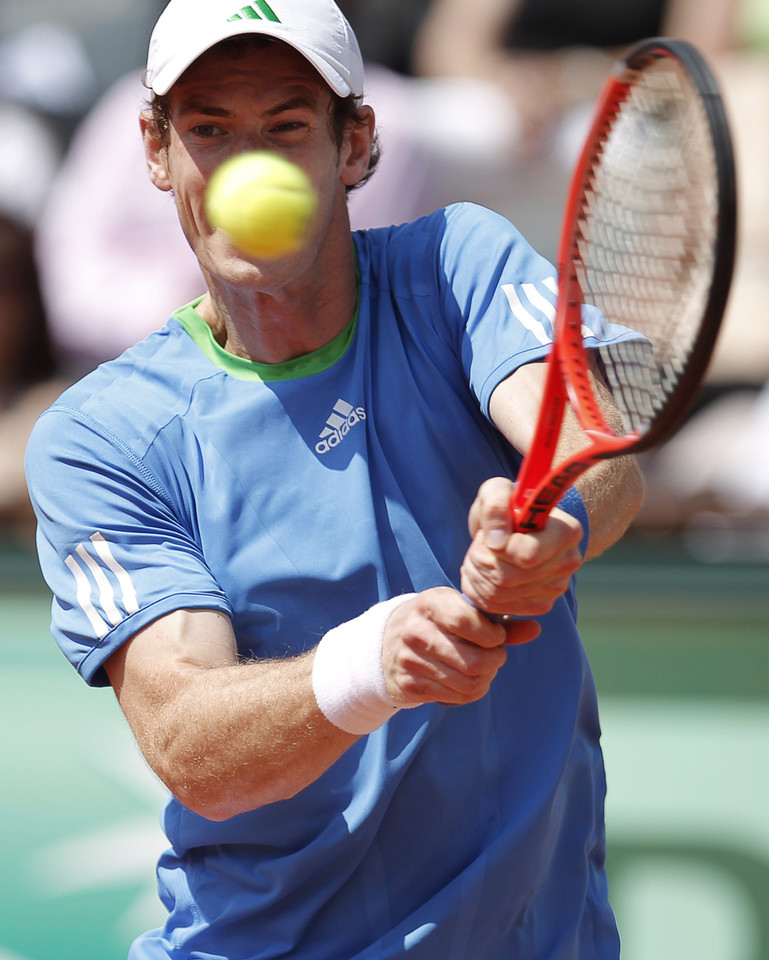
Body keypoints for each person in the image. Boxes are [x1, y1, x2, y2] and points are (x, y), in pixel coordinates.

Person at [25, 1, 644, 957]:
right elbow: (195, 750)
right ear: (155, 152)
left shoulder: (455, 265)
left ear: (356, 144)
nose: (248, 165)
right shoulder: (103, 437)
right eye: (208, 129)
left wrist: (548, 523)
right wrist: (371, 664)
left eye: (286, 127)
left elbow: (588, 452)